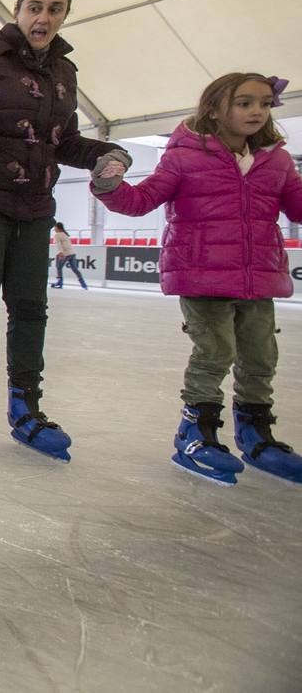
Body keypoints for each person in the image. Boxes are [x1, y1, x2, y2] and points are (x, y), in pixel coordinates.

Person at [0, 0, 130, 461]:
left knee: (30, 309)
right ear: (18, 9)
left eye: (56, 9)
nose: (44, 17)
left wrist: (104, 153)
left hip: (36, 206)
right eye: (36, 7)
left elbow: (62, 141)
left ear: (65, 14)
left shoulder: (64, 72)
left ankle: (26, 406)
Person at [94, 73, 302, 485]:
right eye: (244, 103)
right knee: (215, 352)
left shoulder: (276, 159)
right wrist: (109, 186)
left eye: (263, 103)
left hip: (258, 275)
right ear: (214, 108)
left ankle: (256, 435)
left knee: (261, 357)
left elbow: (297, 207)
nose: (256, 111)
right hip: (201, 273)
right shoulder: (185, 155)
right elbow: (141, 200)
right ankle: (196, 433)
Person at [50, 221, 87, 289]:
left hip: (65, 253)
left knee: (59, 267)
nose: (54, 229)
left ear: (58, 228)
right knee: (75, 269)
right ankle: (83, 283)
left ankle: (60, 283)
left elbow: (59, 245)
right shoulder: (65, 234)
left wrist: (61, 252)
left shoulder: (57, 235)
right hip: (72, 253)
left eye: (55, 227)